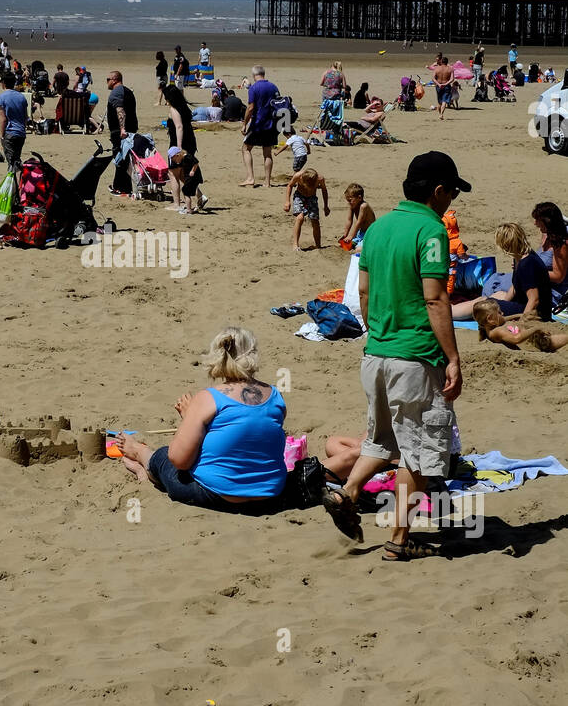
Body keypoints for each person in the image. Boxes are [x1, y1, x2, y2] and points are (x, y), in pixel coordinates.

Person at [341, 152, 468, 561]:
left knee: (382, 440)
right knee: (416, 455)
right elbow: (435, 298)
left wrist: (377, 330)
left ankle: (348, 492)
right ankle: (399, 539)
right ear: (437, 191)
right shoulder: (430, 231)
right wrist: (452, 357)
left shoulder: (377, 229)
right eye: (451, 192)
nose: (452, 200)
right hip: (415, 356)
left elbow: (362, 291)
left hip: (376, 353)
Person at [113, 326, 360, 536]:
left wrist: (189, 418)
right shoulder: (275, 396)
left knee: (164, 457)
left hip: (218, 494)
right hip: (271, 495)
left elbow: (180, 460)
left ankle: (141, 454)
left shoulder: (208, 398)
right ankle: (142, 464)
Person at [452, 224, 552, 322]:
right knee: (496, 295)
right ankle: (453, 310)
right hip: (522, 302)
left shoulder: (527, 264)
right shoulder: (520, 256)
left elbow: (534, 300)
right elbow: (515, 286)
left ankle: (450, 313)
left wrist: (521, 324)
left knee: (483, 305)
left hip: (536, 313)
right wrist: (504, 302)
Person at [471, 298, 568, 352]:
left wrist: (519, 315)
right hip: (536, 344)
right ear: (490, 319)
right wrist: (536, 328)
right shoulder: (497, 331)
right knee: (560, 339)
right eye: (499, 313)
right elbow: (516, 338)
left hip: (531, 339)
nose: (503, 314)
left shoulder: (491, 326)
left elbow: (504, 319)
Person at [241, 65, 280, 187]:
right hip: (271, 123)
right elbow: (279, 104)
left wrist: (244, 124)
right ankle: (267, 182)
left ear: (254, 75)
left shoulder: (254, 88)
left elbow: (251, 107)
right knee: (267, 152)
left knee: (246, 148)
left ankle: (250, 178)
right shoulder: (273, 86)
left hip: (258, 123)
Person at [106, 70, 138, 195]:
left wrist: (122, 128)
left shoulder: (116, 92)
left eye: (108, 79)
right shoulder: (127, 91)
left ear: (114, 79)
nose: (107, 82)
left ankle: (121, 188)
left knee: (120, 158)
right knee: (126, 158)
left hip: (121, 131)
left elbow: (121, 111)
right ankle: (123, 186)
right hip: (131, 129)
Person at [531, 201, 568, 307]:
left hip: (552, 290)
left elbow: (558, 276)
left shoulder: (561, 244)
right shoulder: (546, 235)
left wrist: (529, 270)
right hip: (538, 282)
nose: (535, 223)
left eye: (538, 220)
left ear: (547, 222)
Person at [284, 167, 329, 250]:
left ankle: (318, 245)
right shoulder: (298, 176)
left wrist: (326, 206)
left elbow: (324, 190)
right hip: (299, 196)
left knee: (315, 220)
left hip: (312, 197)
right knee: (300, 218)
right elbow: (290, 186)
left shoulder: (320, 179)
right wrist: (287, 201)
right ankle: (295, 244)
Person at [0, 70, 28, 172]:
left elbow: (3, 119)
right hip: (21, 133)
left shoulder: (1, 98)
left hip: (10, 133)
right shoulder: (21, 97)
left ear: (4, 83)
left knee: (12, 163)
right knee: (17, 161)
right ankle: (19, 183)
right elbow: (25, 117)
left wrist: (1, 136)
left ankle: (14, 184)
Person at [168, 146, 207, 215]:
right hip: (190, 177)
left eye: (174, 159)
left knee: (185, 191)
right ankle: (197, 201)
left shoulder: (187, 157)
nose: (175, 162)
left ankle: (189, 210)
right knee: (187, 190)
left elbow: (196, 162)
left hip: (193, 177)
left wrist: (192, 171)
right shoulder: (182, 159)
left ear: (178, 155)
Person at [339, 183, 375, 249]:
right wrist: (345, 234)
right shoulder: (352, 205)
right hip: (360, 232)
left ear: (359, 198)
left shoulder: (364, 206)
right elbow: (349, 220)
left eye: (350, 200)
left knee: (359, 249)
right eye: (347, 200)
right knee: (346, 246)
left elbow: (359, 222)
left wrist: (350, 236)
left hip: (370, 234)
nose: (349, 202)